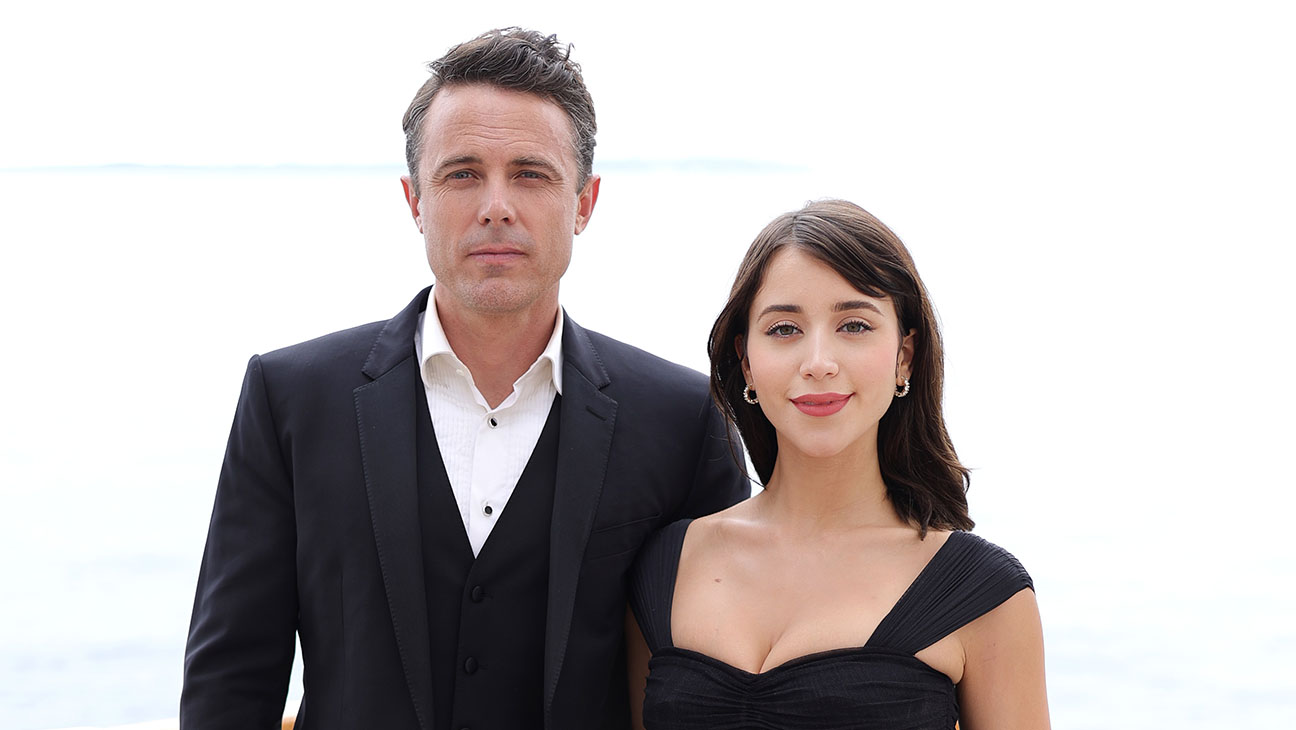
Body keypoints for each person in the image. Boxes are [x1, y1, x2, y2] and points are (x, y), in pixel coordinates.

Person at [180, 28, 749, 730]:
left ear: (585, 202)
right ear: (413, 199)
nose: (496, 206)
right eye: (463, 173)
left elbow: (712, 690)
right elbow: (231, 682)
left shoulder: (683, 417)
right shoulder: (290, 398)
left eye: (531, 174)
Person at [626, 200, 1050, 729]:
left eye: (853, 325)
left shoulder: (983, 593)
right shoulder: (666, 565)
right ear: (746, 361)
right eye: (784, 329)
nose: (818, 362)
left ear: (904, 357)